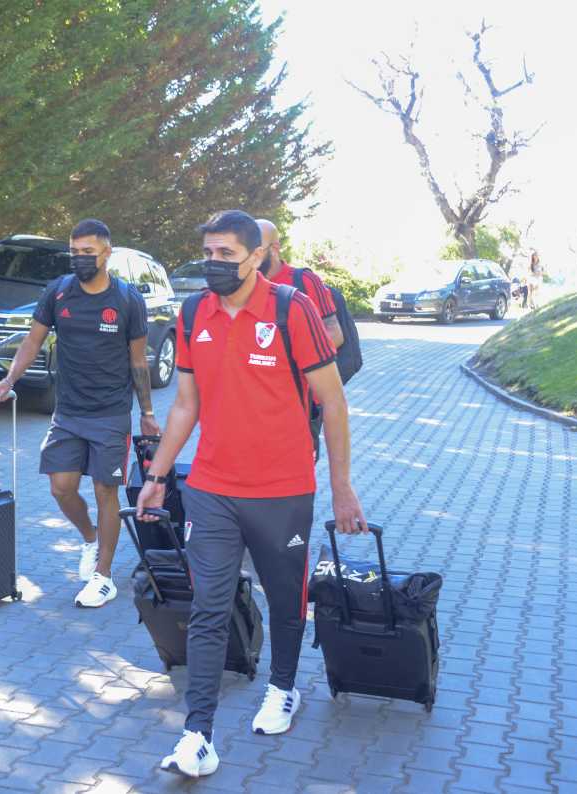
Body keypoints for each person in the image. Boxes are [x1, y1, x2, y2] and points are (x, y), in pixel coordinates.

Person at [136, 210, 367, 779]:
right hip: (212, 488)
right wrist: (158, 476)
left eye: (227, 255)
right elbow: (185, 404)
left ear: (257, 256)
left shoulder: (292, 309)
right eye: (208, 254)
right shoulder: (195, 312)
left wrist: (342, 488)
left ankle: (283, 686)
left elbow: (333, 402)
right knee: (209, 607)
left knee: (286, 598)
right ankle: (197, 735)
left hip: (283, 490)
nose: (214, 264)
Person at [0, 219, 160, 607]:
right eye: (75, 252)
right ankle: (90, 538)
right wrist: (10, 379)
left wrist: (147, 411)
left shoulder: (127, 299)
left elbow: (138, 361)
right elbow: (32, 341)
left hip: (111, 413)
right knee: (61, 487)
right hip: (67, 411)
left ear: (106, 253)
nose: (80, 258)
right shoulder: (58, 292)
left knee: (105, 490)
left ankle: (104, 576)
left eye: (88, 252)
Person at [255, 219, 343, 348]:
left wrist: (293, 357)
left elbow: (335, 335)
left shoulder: (305, 280)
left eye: (257, 249)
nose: (251, 256)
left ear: (274, 249)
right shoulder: (243, 283)